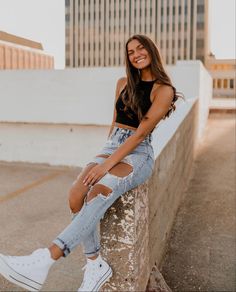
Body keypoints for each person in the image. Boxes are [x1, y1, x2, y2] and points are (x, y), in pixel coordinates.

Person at [0, 34, 183, 291]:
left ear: (151, 50)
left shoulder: (163, 90)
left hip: (138, 153)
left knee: (97, 191)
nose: (136, 54)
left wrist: (105, 166)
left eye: (140, 48)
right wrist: (102, 156)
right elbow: (115, 123)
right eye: (130, 51)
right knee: (76, 194)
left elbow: (140, 133)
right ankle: (95, 264)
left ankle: (45, 257)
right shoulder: (122, 83)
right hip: (112, 146)